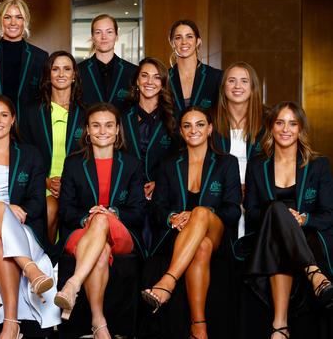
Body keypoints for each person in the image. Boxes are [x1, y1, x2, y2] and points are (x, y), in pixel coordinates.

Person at [0, 95, 60, 337]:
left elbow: (38, 203)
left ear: (13, 119)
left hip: (21, 227)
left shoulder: (31, 155)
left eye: (4, 115)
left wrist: (18, 210)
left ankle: (11, 324)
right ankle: (31, 270)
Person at [142, 107, 241, 339]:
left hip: (217, 233)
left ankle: (168, 281)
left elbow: (233, 211)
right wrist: (173, 217)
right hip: (180, 236)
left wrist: (200, 214)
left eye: (199, 124)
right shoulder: (168, 164)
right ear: (180, 131)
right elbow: (157, 210)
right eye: (187, 125)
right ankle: (199, 327)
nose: (193, 130)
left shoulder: (226, 163)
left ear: (209, 129)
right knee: (202, 247)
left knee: (201, 213)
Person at [55, 103, 145, 338]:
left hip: (121, 233)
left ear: (117, 130)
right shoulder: (74, 164)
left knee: (102, 219)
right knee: (101, 250)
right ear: (87, 130)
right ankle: (99, 322)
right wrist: (89, 217)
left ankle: (73, 284)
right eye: (95, 125)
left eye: (108, 125)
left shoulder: (132, 164)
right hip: (81, 233)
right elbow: (65, 209)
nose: (102, 131)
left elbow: (138, 211)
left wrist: (111, 213)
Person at [244, 102, 333, 339]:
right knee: (275, 209)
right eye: (280, 122)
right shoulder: (256, 165)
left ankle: (280, 326)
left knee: (281, 230)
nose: (286, 129)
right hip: (267, 235)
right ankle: (314, 274)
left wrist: (302, 219)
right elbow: (252, 212)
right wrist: (279, 216)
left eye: (292, 123)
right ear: (271, 127)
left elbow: (328, 214)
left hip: (307, 237)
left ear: (300, 129)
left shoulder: (318, 164)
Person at [20, 51, 85, 246]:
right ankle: (46, 262)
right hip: (43, 184)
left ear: (74, 75)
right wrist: (47, 182)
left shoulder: (86, 113)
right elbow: (24, 156)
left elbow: (89, 156)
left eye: (67, 69)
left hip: (76, 186)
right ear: (48, 75)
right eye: (55, 69)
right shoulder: (32, 113)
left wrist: (68, 183)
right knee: (49, 210)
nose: (61, 74)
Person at [121, 57, 178, 248]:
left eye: (156, 77)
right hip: (128, 191)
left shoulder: (173, 117)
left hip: (162, 191)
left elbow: (179, 159)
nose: (149, 82)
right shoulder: (121, 116)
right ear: (137, 81)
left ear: (162, 83)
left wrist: (159, 182)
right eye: (144, 76)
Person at [212, 61, 265, 237]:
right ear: (223, 86)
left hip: (258, 192)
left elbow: (275, 162)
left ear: (253, 87)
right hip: (220, 193)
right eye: (231, 80)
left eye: (244, 81)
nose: (237, 86)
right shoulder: (209, 120)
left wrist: (250, 188)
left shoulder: (269, 121)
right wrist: (232, 189)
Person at [78, 14, 137, 110]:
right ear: (92, 37)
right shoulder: (79, 71)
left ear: (116, 36)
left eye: (109, 32)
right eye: (98, 32)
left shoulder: (132, 71)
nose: (104, 37)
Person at [167, 20, 223, 114]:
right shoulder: (163, 78)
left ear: (198, 41)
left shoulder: (216, 76)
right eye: (178, 38)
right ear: (172, 43)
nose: (184, 42)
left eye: (189, 37)